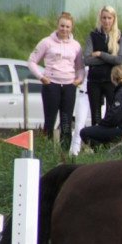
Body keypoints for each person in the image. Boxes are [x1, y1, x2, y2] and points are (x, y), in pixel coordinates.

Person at [28, 11, 85, 148]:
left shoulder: (76, 46)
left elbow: (80, 67)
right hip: (51, 85)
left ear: (71, 28)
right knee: (50, 120)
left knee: (66, 121)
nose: (64, 29)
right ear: (57, 25)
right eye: (62, 26)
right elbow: (31, 61)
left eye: (67, 27)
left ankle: (65, 153)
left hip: (69, 85)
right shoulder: (46, 42)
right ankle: (46, 150)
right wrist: (41, 77)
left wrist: (79, 79)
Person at [80, 65, 122, 148]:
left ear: (113, 78)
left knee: (85, 132)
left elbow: (114, 117)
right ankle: (107, 150)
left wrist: (101, 124)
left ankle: (103, 154)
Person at [84, 5, 122, 126]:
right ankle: (95, 142)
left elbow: (120, 59)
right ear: (100, 18)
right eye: (104, 18)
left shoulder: (121, 37)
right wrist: (110, 58)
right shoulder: (93, 35)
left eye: (109, 18)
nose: (106, 21)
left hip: (112, 81)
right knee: (95, 115)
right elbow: (87, 60)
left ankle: (109, 142)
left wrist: (100, 54)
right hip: (94, 80)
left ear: (114, 19)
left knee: (112, 114)